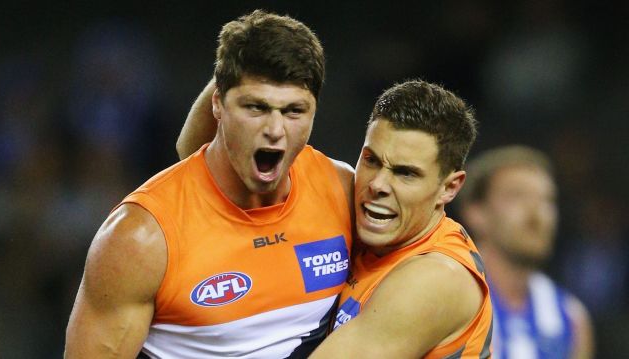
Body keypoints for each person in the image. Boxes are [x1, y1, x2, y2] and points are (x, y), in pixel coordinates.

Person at [65, 10, 355, 358]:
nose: (276, 130)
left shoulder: (341, 191)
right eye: (256, 107)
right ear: (217, 104)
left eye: (294, 111)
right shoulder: (141, 239)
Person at [180, 79, 492, 358]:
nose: (378, 185)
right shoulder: (357, 206)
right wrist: (238, 69)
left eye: (405, 173)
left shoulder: (437, 277)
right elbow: (206, 163)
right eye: (371, 160)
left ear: (448, 188)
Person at [456, 145, 595, 359]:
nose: (536, 212)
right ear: (476, 213)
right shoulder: (449, 297)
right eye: (517, 196)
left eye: (547, 200)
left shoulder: (570, 316)